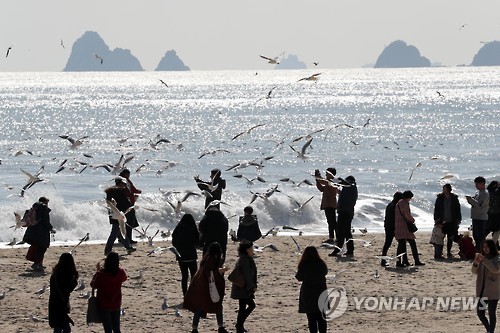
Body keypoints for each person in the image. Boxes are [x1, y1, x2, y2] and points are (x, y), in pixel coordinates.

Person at [184, 242, 229, 333]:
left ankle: (194, 328)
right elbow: (212, 272)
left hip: (200, 286)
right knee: (217, 306)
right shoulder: (211, 260)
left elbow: (208, 271)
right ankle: (220, 327)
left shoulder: (206, 258)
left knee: (200, 307)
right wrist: (222, 270)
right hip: (206, 288)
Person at [90, 252, 127, 333]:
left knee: (108, 329)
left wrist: (98, 271)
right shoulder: (120, 272)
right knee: (116, 329)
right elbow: (124, 278)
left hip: (104, 304)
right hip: (116, 302)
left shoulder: (102, 274)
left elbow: (93, 284)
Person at [295, 246, 328, 333]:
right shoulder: (321, 263)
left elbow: (299, 277)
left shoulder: (303, 264)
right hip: (321, 293)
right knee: (322, 319)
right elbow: (325, 272)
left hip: (308, 294)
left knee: (311, 319)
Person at [472, 239, 500, 333]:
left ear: (491, 247)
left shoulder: (497, 259)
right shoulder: (483, 258)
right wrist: (475, 263)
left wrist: (484, 260)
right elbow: (474, 271)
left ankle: (490, 331)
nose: (485, 249)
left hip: (492, 291)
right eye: (484, 247)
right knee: (480, 313)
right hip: (482, 290)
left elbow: (495, 270)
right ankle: (489, 330)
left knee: (492, 313)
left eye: (487, 247)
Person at [104, 178, 136, 256]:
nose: (125, 185)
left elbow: (109, 203)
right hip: (119, 214)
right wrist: (131, 208)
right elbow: (124, 202)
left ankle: (128, 247)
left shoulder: (110, 191)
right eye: (124, 184)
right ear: (120, 184)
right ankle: (107, 250)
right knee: (114, 233)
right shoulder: (119, 191)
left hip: (113, 213)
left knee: (121, 232)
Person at [230, 241, 257, 333]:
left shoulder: (245, 258)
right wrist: (251, 286)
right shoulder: (244, 259)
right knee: (250, 306)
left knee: (244, 306)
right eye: (251, 249)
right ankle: (239, 325)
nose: (252, 250)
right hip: (243, 288)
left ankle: (240, 325)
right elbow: (246, 274)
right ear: (246, 250)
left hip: (243, 287)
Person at [23, 197, 55, 272]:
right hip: (41, 232)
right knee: (42, 248)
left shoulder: (34, 208)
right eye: (47, 202)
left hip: (32, 232)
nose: (47, 204)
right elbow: (46, 221)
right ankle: (37, 264)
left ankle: (38, 264)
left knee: (37, 247)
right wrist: (51, 228)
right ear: (45, 202)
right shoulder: (44, 209)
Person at [49, 253, 79, 333]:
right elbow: (69, 289)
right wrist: (75, 279)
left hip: (53, 303)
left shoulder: (55, 274)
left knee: (58, 326)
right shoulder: (67, 276)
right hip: (62, 303)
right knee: (65, 327)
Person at [329, 176, 357, 257]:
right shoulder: (350, 188)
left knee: (341, 231)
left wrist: (337, 180)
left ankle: (338, 249)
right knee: (347, 232)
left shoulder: (351, 186)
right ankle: (349, 250)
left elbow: (343, 184)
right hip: (346, 211)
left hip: (345, 212)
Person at [172, 214, 200, 296]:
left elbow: (174, 241)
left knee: (184, 276)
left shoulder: (178, 228)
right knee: (193, 276)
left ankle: (185, 294)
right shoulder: (193, 228)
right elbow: (197, 241)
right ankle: (192, 293)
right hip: (191, 255)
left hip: (181, 256)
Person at [395, 190, 425, 266]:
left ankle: (400, 262)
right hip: (405, 227)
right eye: (410, 197)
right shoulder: (404, 203)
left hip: (398, 226)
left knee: (401, 245)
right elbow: (407, 214)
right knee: (412, 244)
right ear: (408, 197)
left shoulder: (398, 203)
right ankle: (416, 261)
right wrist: (412, 220)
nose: (410, 199)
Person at [433, 183, 462, 257]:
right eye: (443, 189)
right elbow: (436, 210)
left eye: (445, 189)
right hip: (442, 220)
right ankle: (440, 252)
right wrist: (436, 220)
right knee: (440, 237)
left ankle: (449, 252)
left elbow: (458, 209)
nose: (444, 191)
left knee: (450, 237)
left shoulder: (454, 198)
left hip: (452, 220)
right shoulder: (440, 198)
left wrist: (459, 219)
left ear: (449, 190)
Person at [314, 168, 339, 244]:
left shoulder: (333, 182)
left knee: (333, 222)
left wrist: (318, 177)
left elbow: (324, 182)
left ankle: (337, 237)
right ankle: (332, 237)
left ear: (331, 174)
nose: (326, 175)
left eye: (327, 173)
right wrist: (317, 180)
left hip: (331, 204)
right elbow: (321, 188)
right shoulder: (328, 182)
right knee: (330, 222)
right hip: (327, 204)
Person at [466, 176, 490, 251]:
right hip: (476, 217)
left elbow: (480, 205)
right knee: (476, 236)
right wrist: (470, 200)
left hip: (481, 218)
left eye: (477, 184)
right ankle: (478, 250)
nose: (476, 186)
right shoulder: (479, 192)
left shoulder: (485, 193)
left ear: (482, 183)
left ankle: (482, 251)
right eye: (475, 184)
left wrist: (471, 200)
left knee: (480, 236)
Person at [380, 191, 403, 266]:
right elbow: (395, 218)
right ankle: (399, 262)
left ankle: (383, 260)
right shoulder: (395, 206)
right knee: (401, 243)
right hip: (393, 227)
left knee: (387, 243)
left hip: (388, 226)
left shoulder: (390, 205)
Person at [119, 169, 141, 245]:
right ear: (125, 174)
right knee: (129, 222)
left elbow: (132, 189)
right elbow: (129, 190)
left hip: (129, 203)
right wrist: (137, 191)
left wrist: (137, 191)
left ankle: (124, 238)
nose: (129, 175)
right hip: (127, 204)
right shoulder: (123, 181)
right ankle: (127, 239)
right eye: (128, 174)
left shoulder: (125, 180)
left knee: (128, 222)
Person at [487, 181, 500, 247]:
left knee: (490, 229)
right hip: (496, 214)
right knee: (496, 230)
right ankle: (494, 246)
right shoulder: (497, 193)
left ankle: (496, 245)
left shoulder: (489, 192)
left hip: (489, 213)